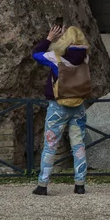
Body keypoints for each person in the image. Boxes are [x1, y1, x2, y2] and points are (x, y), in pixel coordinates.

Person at [31, 24, 90, 196]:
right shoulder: (86, 58)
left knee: (50, 145)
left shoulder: (55, 57)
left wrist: (49, 38)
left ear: (65, 40)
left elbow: (35, 54)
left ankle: (42, 184)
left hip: (58, 107)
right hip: (78, 105)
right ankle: (80, 184)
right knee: (78, 145)